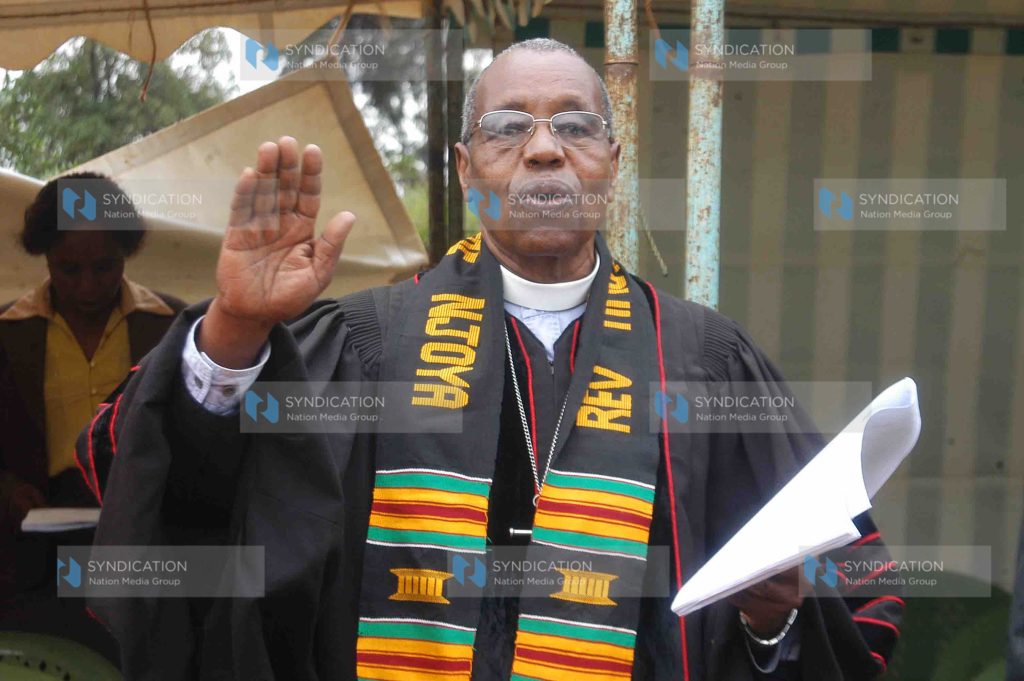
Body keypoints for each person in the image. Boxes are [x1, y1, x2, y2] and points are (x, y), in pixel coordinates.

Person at [83, 39, 903, 679]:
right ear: (467, 169)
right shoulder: (365, 346)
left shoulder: (701, 361)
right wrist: (234, 326)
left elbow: (847, 590)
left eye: (576, 126)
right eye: (508, 128)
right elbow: (167, 489)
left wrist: (775, 619)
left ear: (611, 165)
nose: (544, 151)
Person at [0, 171, 185, 654]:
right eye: (67, 269)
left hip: (144, 528)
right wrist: (8, 487)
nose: (86, 287)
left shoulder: (172, 326)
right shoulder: (6, 333)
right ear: (44, 257)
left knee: (139, 648)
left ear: (126, 253)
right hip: (32, 541)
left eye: (104, 269)